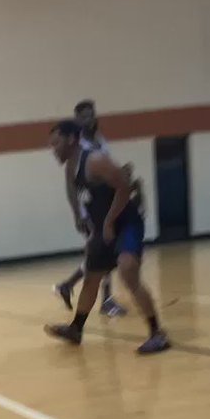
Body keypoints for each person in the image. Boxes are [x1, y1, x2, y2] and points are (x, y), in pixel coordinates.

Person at [45, 120, 170, 355]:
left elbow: (124, 187)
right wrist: (81, 217)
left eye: (56, 143)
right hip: (102, 227)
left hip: (125, 223)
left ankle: (157, 334)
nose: (53, 149)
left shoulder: (94, 160)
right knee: (91, 277)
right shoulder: (71, 166)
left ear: (71, 139)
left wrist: (110, 221)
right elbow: (75, 191)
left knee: (128, 270)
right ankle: (76, 329)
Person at [53, 100, 126, 317]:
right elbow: (70, 185)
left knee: (99, 254)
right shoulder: (76, 147)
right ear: (77, 120)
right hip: (89, 210)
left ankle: (68, 285)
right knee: (104, 252)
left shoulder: (100, 141)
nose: (89, 119)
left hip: (103, 205)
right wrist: (77, 214)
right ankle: (106, 300)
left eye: (91, 114)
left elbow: (106, 171)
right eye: (83, 116)